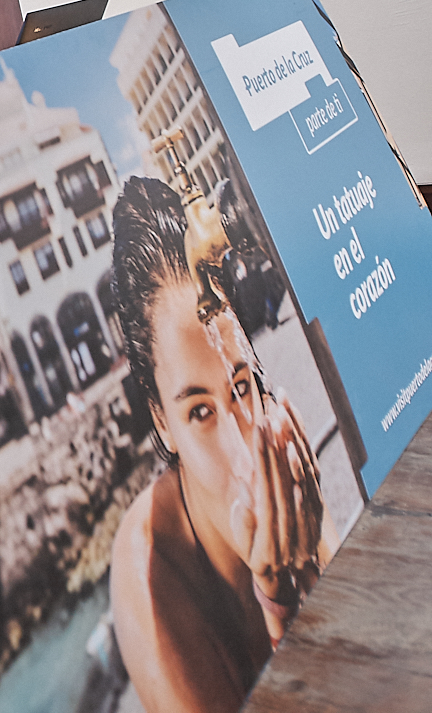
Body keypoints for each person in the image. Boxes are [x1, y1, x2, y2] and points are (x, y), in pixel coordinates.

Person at [108, 176, 328, 713]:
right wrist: (280, 602)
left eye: (241, 387)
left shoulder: (277, 450)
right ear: (161, 422)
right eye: (199, 412)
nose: (241, 449)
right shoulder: (150, 579)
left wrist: (316, 569)